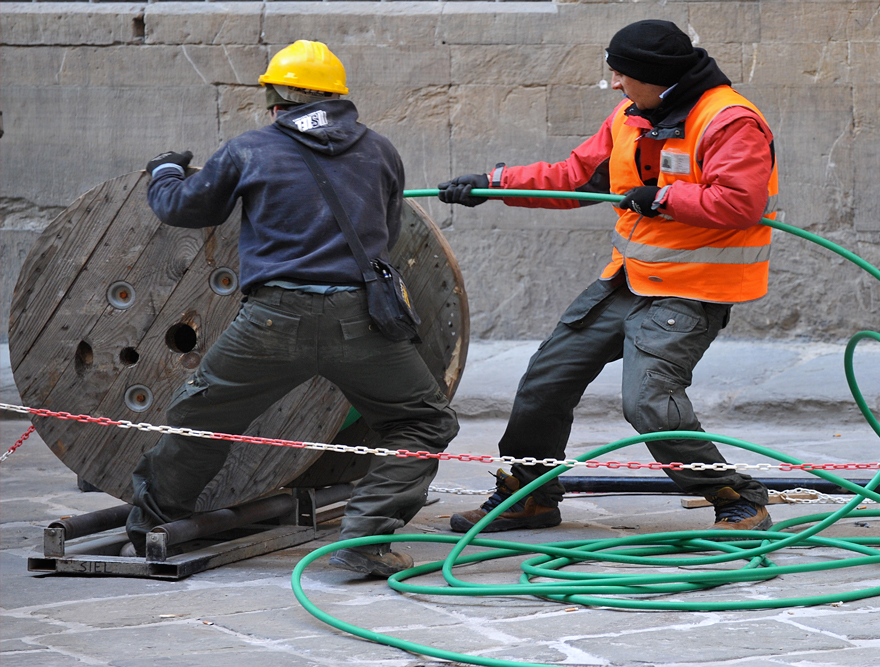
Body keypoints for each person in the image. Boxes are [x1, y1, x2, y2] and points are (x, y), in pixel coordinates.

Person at [126, 40, 458, 577]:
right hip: (362, 320)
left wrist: (165, 171)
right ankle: (365, 539)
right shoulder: (380, 151)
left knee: (202, 419)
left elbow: (184, 208)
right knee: (421, 422)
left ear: (277, 101)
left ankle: (150, 528)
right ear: (339, 99)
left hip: (270, 321)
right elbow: (388, 234)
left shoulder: (250, 150)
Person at [438, 20, 777, 535]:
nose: (615, 84)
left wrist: (664, 197)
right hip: (628, 280)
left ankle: (735, 497)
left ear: (657, 76)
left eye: (622, 74)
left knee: (648, 401)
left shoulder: (730, 121)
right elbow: (573, 176)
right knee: (544, 382)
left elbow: (741, 202)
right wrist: (493, 184)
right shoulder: (630, 115)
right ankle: (530, 494)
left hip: (690, 290)